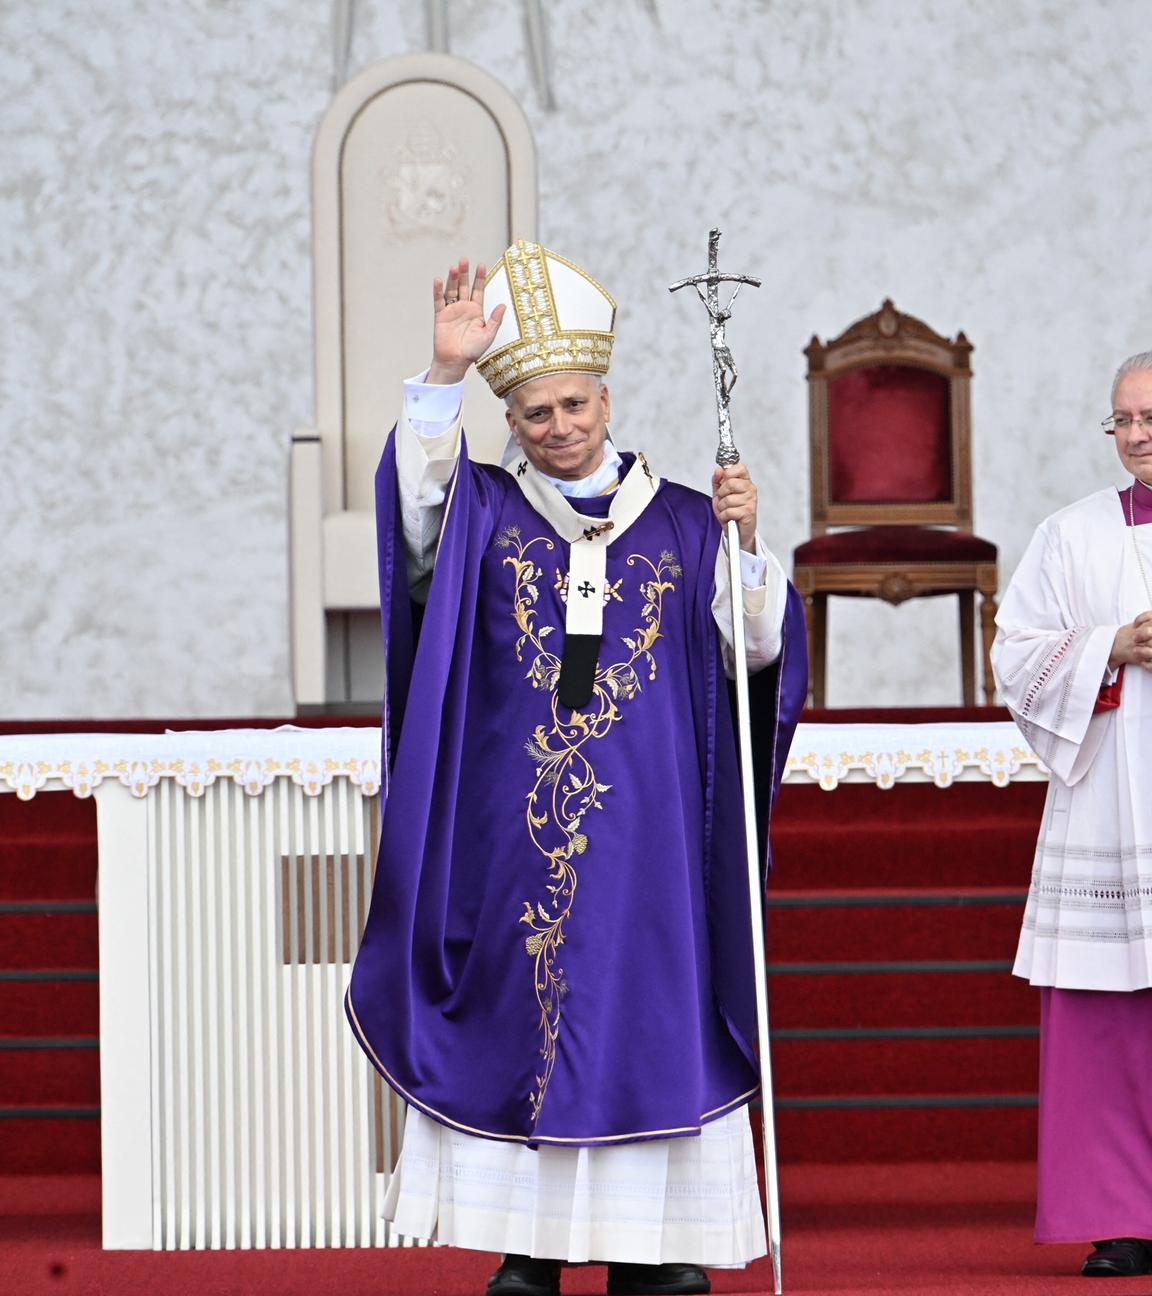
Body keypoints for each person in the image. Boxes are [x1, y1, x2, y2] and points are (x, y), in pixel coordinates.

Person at [347, 241, 806, 1296]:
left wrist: (747, 549)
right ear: (512, 422)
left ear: (606, 397)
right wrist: (448, 377)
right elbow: (414, 527)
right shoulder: (489, 514)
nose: (557, 428)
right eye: (536, 414)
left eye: (572, 406)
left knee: (650, 1021)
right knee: (525, 1021)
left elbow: (757, 657)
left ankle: (659, 1251)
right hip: (519, 840)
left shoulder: (689, 518)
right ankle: (533, 1247)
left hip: (655, 850)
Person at [992, 350, 1152, 1279]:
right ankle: (1121, 1214)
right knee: (1106, 1016)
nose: (1133, 436)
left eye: (1149, 420)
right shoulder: (1071, 533)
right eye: (1121, 421)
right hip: (1110, 803)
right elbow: (1015, 658)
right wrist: (1110, 648)